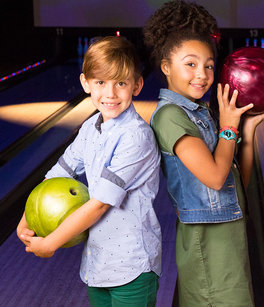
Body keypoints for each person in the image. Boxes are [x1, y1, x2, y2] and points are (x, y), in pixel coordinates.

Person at [143, 1, 264, 305]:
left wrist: (248, 129)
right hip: (207, 243)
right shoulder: (170, 117)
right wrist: (228, 128)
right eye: (190, 64)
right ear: (166, 66)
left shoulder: (200, 113)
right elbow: (215, 178)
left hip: (228, 239)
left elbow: (235, 180)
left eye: (209, 65)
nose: (202, 74)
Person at [16, 36, 162, 306]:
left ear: (137, 85)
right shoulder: (90, 127)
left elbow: (99, 205)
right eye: (100, 83)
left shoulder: (135, 136)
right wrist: (28, 218)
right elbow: (56, 176)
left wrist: (51, 243)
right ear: (85, 83)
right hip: (99, 265)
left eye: (121, 83)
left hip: (132, 267)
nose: (110, 94)